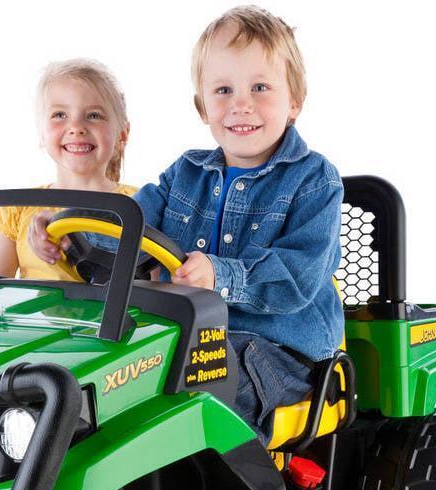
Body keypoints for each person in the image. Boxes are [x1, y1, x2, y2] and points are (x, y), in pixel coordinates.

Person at [29, 7, 344, 443]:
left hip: (278, 354)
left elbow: (297, 278)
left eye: (259, 87)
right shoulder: (184, 174)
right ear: (202, 107)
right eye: (223, 90)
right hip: (188, 338)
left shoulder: (314, 181)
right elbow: (125, 227)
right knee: (102, 379)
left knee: (199, 388)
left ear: (295, 100)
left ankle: (215, 483)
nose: (241, 104)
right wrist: (67, 234)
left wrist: (219, 275)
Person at [0, 58, 135, 281]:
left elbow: (153, 284)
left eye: (93, 115)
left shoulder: (139, 206)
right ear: (41, 132)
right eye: (59, 115)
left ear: (122, 133)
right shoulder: (19, 208)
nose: (76, 127)